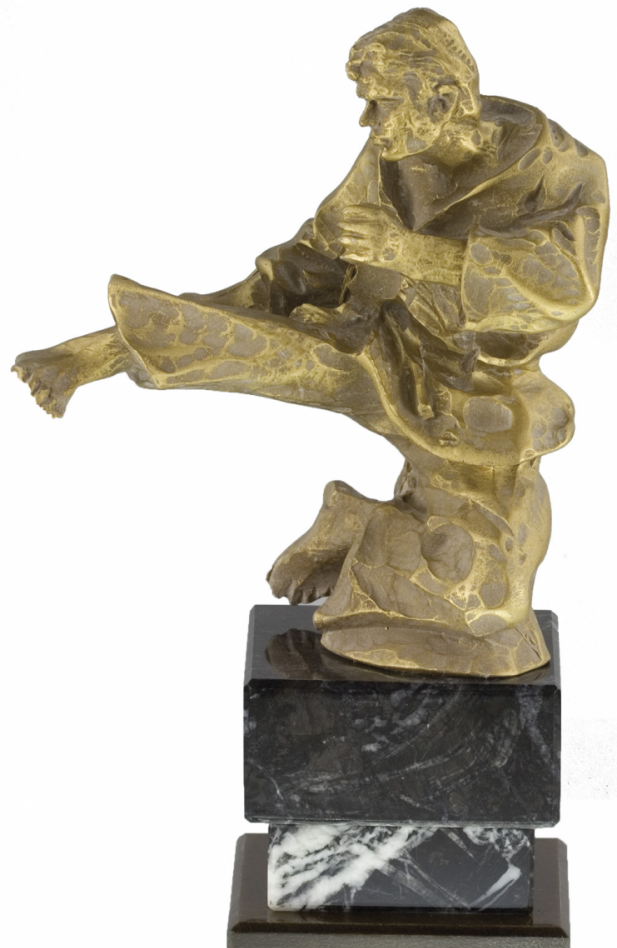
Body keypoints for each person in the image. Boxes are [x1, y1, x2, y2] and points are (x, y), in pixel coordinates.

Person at [13, 9, 609, 674]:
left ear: (442, 101)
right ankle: (101, 358)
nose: (368, 122)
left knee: (485, 609)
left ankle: (361, 523)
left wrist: (411, 253)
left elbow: (565, 281)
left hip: (493, 393)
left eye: (380, 104)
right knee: (476, 619)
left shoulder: (559, 168)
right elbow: (295, 274)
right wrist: (92, 351)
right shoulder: (391, 161)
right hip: (383, 350)